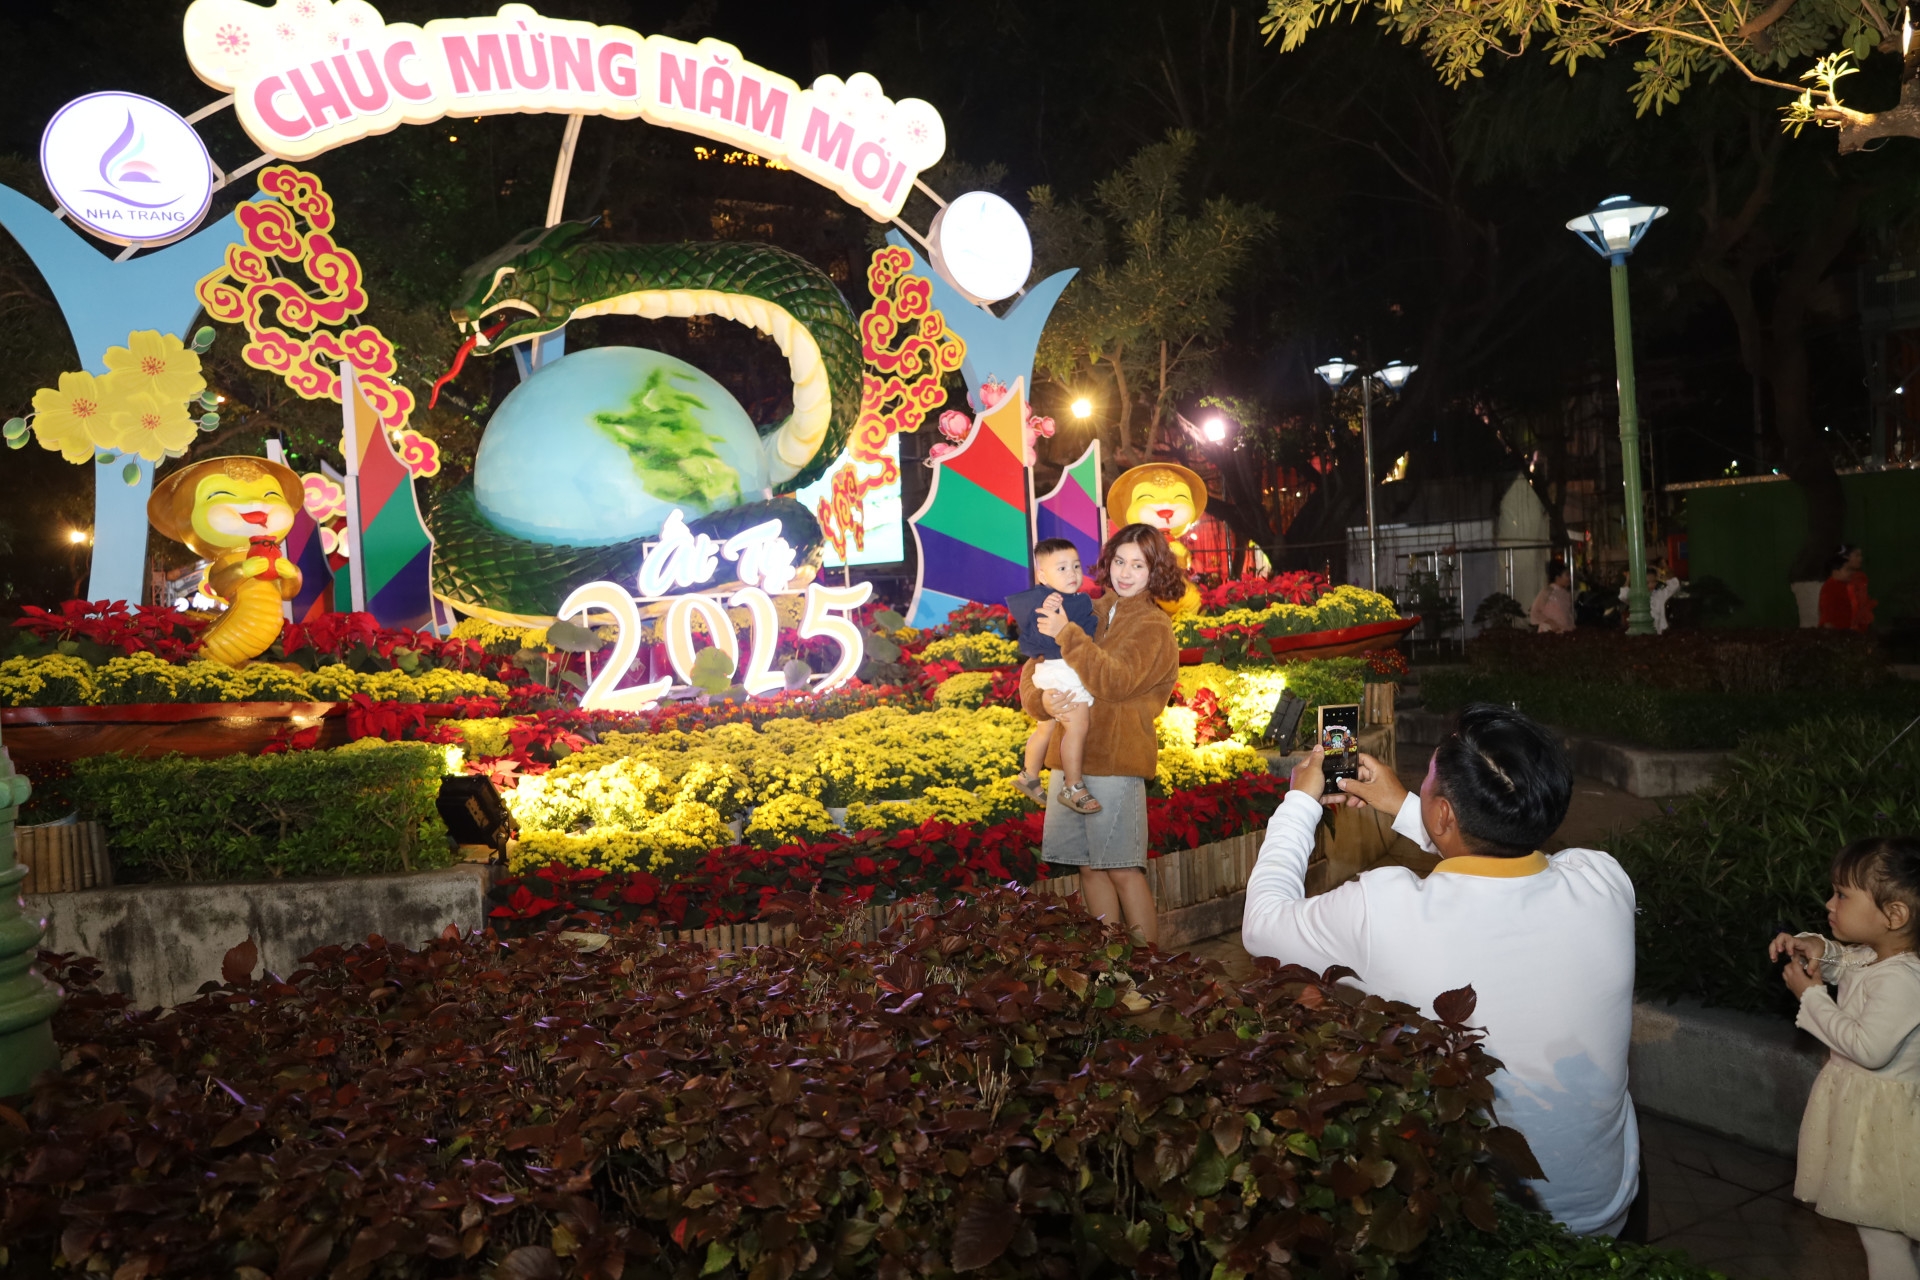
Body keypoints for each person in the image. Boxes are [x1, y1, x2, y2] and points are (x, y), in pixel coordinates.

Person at [1241, 704, 1641, 1237]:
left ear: (1446, 815)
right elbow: (1495, 855)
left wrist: (1299, 801)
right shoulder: (1606, 882)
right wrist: (1405, 804)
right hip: (1608, 1211)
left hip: (1485, 1224)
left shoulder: (1385, 911)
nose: (1420, 787)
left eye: (1427, 781)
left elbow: (1262, 924)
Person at [1019, 523, 1182, 945]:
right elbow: (1035, 666)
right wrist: (1043, 702)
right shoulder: (1085, 608)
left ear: (1155, 570)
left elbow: (1115, 681)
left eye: (1139, 565)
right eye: (1119, 562)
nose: (1125, 573)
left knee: (1123, 869)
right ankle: (1114, 965)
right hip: (1069, 763)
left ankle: (1149, 972)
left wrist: (1068, 634)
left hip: (1115, 763)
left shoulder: (1153, 626)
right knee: (1088, 868)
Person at [1769, 837, 1920, 1280]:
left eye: (1842, 894)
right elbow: (1844, 961)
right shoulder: (1878, 956)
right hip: (1873, 1120)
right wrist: (1811, 946)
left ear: (1894, 915)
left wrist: (1812, 996)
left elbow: (1868, 1049)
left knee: (1883, 1236)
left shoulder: (1904, 981)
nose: (1829, 902)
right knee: (1896, 1232)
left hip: (1887, 1132)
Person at [1007, 539, 1101, 813]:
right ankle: (1073, 786)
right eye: (1062, 568)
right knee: (1078, 726)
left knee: (1045, 727)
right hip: (1063, 671)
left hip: (1048, 672)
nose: (1072, 574)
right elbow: (1039, 642)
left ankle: (1029, 775)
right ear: (1042, 576)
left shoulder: (1072, 600)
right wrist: (1058, 620)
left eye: (1076, 566)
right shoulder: (1052, 603)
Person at [1820, 545, 1876, 632]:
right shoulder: (1831, 586)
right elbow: (1827, 619)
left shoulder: (1859, 581)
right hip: (1843, 635)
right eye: (1857, 555)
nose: (1861, 559)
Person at [1618, 561, 1682, 634]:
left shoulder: (1659, 594)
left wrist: (1660, 574)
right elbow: (1623, 596)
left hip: (1659, 633)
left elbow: (1675, 585)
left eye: (1654, 581)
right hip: (1642, 634)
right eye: (1647, 583)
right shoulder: (1637, 596)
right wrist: (1628, 580)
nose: (1651, 585)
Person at [1529, 558, 1575, 633]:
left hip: (1564, 631)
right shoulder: (1548, 591)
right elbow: (1535, 612)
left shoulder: (1566, 594)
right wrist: (1550, 622)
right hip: (1549, 631)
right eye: (1567, 575)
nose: (1569, 578)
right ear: (1558, 577)